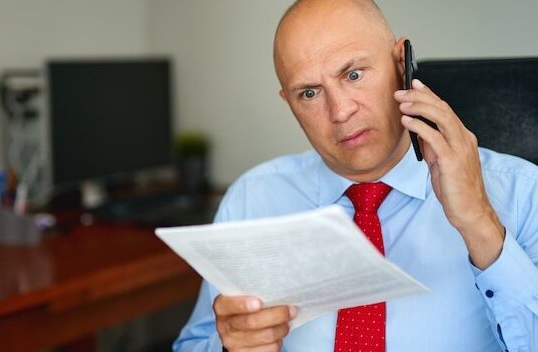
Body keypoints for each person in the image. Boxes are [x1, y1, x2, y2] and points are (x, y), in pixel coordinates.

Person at [173, 0, 538, 351]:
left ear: (401, 63)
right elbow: (194, 344)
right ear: (289, 103)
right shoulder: (253, 199)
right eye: (310, 93)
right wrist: (231, 347)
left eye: (353, 74)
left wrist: (480, 223)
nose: (341, 111)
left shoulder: (520, 191)